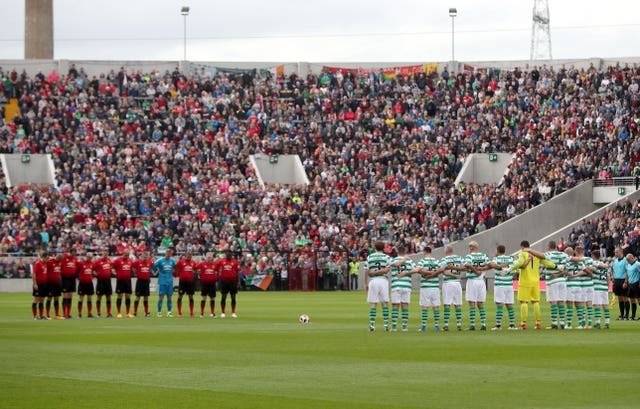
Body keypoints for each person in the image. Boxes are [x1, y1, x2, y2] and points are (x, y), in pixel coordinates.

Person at [509, 241, 555, 330]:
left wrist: (510, 269)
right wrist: (556, 266)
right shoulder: (536, 254)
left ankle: (523, 324)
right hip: (535, 281)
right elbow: (547, 263)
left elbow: (520, 264)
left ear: (522, 247)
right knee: (535, 302)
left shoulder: (522, 253)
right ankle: (538, 323)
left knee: (524, 302)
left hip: (525, 281)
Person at [404, 246, 442, 332]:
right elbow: (441, 269)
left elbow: (417, 270)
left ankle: (424, 326)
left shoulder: (422, 261)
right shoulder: (436, 261)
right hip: (435, 286)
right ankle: (436, 326)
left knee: (425, 306)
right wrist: (433, 273)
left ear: (425, 252)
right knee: (435, 306)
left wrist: (406, 273)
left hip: (426, 287)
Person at [364, 241, 393, 332]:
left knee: (373, 303)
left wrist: (366, 283)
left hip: (373, 280)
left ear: (375, 247)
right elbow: (387, 270)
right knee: (384, 303)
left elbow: (366, 271)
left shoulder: (370, 257)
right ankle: (386, 326)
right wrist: (381, 271)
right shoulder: (386, 257)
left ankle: (372, 326)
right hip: (383, 281)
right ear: (383, 248)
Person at [463, 241, 490, 331]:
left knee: (472, 303)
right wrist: (482, 269)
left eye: (470, 247)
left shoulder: (469, 256)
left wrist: (475, 271)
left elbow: (467, 264)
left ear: (472, 247)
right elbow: (490, 265)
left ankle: (472, 325)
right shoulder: (483, 256)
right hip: (481, 281)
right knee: (481, 304)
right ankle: (483, 324)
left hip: (472, 281)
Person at [488, 245, 517, 330]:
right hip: (509, 284)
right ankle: (512, 325)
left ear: (497, 250)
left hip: (500, 284)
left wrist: (497, 262)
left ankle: (498, 325)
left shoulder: (496, 259)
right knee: (509, 305)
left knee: (499, 305)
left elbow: (490, 264)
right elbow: (514, 269)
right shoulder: (511, 259)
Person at [544, 240, 570, 329]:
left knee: (553, 302)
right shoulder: (563, 255)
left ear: (549, 247)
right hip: (562, 281)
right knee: (560, 302)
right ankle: (562, 323)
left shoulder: (548, 255)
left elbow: (540, 256)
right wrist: (559, 275)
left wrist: (555, 275)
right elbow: (567, 270)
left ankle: (554, 323)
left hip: (553, 282)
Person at [389, 246, 416, 332]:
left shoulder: (393, 260)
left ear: (397, 251)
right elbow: (416, 270)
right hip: (406, 285)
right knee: (405, 306)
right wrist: (407, 272)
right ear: (405, 250)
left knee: (395, 306)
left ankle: (394, 327)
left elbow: (395, 264)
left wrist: (404, 273)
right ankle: (404, 327)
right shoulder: (409, 261)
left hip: (396, 285)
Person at [440, 245, 466, 331]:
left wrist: (453, 275)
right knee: (457, 304)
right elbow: (466, 266)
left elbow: (443, 271)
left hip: (448, 283)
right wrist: (458, 272)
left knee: (447, 304)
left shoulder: (444, 259)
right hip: (457, 283)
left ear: (446, 251)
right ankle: (459, 325)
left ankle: (446, 325)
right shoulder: (459, 258)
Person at [563, 247, 588, 329]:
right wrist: (576, 275)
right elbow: (584, 270)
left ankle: (569, 324)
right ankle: (581, 323)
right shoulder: (579, 262)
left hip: (570, 285)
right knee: (579, 305)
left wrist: (569, 275)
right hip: (578, 285)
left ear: (567, 253)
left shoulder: (567, 262)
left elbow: (565, 271)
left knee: (569, 305)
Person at [590, 251, 611, 328]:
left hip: (597, 287)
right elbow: (608, 278)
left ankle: (598, 323)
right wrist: (608, 288)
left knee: (596, 305)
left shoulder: (594, 263)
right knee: (605, 305)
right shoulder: (605, 266)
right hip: (604, 287)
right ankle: (607, 323)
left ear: (593, 255)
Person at [152, 249, 177, 317]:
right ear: (165, 253)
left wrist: (174, 272)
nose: (168, 254)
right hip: (162, 281)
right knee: (161, 297)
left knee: (169, 297)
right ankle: (159, 312)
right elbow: (153, 266)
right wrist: (155, 272)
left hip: (170, 281)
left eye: (170, 253)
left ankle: (169, 312)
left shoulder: (172, 260)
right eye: (167, 252)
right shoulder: (160, 260)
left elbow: (175, 268)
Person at [217, 250, 241, 318]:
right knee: (223, 297)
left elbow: (237, 272)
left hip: (233, 281)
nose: (228, 256)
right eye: (227, 254)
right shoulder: (221, 261)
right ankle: (223, 312)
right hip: (224, 281)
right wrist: (219, 274)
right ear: (225, 254)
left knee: (233, 297)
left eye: (229, 255)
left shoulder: (235, 261)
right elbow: (216, 267)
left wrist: (238, 281)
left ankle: (233, 312)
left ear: (231, 254)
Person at [175, 251, 197, 317]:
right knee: (180, 296)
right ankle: (179, 313)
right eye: (188, 255)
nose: (189, 256)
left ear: (192, 256)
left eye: (190, 255)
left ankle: (191, 312)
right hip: (182, 282)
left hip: (190, 282)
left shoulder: (193, 262)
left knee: (191, 296)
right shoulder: (181, 262)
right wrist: (177, 274)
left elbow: (196, 269)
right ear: (185, 255)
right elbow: (176, 268)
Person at [113, 249, 134, 318]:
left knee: (128, 296)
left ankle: (128, 313)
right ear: (123, 253)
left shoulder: (130, 261)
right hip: (120, 281)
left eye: (128, 255)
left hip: (128, 281)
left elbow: (132, 269)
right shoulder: (118, 260)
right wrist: (116, 273)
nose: (127, 256)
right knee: (120, 296)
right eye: (126, 255)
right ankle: (119, 313)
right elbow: (113, 267)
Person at [94, 250, 115, 318]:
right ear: (102, 254)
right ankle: (98, 313)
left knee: (108, 297)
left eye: (106, 255)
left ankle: (108, 313)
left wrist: (111, 271)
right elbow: (93, 269)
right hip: (100, 281)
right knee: (99, 296)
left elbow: (112, 267)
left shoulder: (109, 260)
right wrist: (96, 275)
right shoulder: (98, 261)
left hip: (108, 281)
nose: (105, 256)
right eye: (104, 255)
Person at [197, 252, 218, 317]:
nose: (209, 258)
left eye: (210, 257)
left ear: (212, 258)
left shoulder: (215, 264)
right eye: (208, 257)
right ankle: (202, 313)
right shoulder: (202, 264)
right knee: (204, 298)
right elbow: (196, 268)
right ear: (206, 257)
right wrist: (199, 274)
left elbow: (218, 270)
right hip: (204, 283)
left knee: (212, 298)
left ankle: (212, 313)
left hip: (212, 283)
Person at [132, 251, 153, 317]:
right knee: (138, 297)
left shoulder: (150, 262)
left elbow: (153, 265)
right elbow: (132, 266)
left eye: (146, 256)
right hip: (140, 281)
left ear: (148, 257)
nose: (145, 258)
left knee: (146, 297)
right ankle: (135, 312)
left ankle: (146, 312)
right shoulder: (137, 262)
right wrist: (135, 272)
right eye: (144, 256)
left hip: (146, 281)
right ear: (141, 256)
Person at [61, 248, 79, 319]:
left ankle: (68, 313)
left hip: (72, 279)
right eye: (73, 253)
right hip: (65, 278)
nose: (74, 255)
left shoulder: (75, 259)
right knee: (65, 295)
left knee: (70, 295)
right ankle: (64, 313)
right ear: (70, 252)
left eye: (75, 254)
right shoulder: (65, 257)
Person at [612, 247, 630, 320]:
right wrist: (613, 278)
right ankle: (622, 315)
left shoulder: (625, 260)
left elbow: (627, 271)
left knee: (625, 297)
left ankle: (627, 315)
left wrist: (626, 281)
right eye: (615, 252)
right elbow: (613, 270)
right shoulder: (615, 261)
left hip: (623, 280)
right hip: (616, 280)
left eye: (617, 252)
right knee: (619, 298)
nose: (615, 253)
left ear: (621, 252)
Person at [76, 252, 96, 318]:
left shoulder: (92, 264)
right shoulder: (81, 263)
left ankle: (89, 313)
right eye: (89, 257)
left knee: (89, 298)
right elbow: (76, 270)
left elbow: (93, 271)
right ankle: (79, 313)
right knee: (81, 298)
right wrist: (79, 278)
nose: (90, 259)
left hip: (89, 283)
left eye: (91, 257)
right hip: (82, 283)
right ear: (86, 256)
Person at [46, 253, 64, 320]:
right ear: (58, 257)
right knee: (49, 298)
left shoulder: (59, 263)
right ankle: (47, 315)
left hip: (57, 283)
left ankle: (57, 314)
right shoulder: (50, 262)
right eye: (60, 260)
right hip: (50, 283)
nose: (60, 261)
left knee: (57, 298)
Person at [31, 251, 49, 320]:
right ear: (43, 257)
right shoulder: (38, 263)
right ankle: (35, 316)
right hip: (38, 284)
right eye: (47, 258)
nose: (47, 260)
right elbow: (34, 274)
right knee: (36, 299)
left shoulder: (45, 263)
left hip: (44, 284)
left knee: (42, 300)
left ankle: (41, 316)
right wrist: (35, 283)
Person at [624, 253, 640, 320]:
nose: (628, 261)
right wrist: (625, 281)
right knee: (632, 300)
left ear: (632, 258)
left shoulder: (638, 264)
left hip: (636, 284)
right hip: (630, 284)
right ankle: (633, 316)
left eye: (628, 259)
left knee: (639, 300)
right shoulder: (628, 265)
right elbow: (627, 273)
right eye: (627, 260)